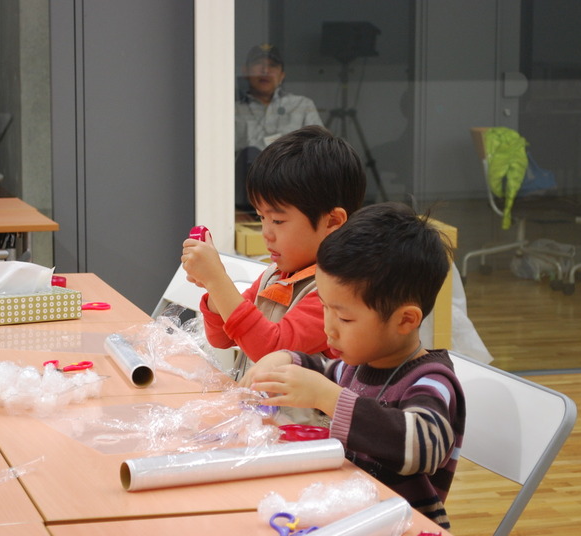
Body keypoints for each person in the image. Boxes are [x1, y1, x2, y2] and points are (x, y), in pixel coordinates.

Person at [238, 202, 466, 530]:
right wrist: (286, 358)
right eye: (325, 308)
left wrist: (328, 397)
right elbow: (322, 369)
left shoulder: (432, 381)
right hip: (349, 513)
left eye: (344, 317)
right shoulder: (358, 364)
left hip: (400, 524)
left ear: (405, 320)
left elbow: (423, 447)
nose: (328, 328)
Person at [181, 125, 366, 382]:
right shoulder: (276, 275)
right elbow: (221, 337)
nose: (266, 233)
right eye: (261, 217)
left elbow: (272, 350)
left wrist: (217, 280)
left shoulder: (335, 290)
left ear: (332, 221)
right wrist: (213, 289)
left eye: (278, 221)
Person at [235, 43, 324, 211]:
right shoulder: (231, 109)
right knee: (250, 153)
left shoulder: (301, 105)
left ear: (282, 75)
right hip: (246, 195)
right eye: (258, 64)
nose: (265, 71)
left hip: (293, 190)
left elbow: (322, 152)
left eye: (272, 65)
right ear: (245, 71)